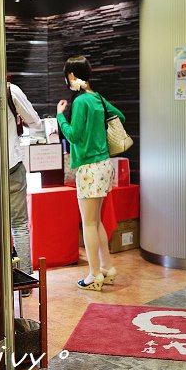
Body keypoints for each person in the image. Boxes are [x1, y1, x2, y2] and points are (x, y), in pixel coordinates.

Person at [55, 55, 125, 291]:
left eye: (68, 75)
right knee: (96, 222)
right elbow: (120, 117)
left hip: (88, 168)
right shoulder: (98, 98)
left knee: (88, 224)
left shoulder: (81, 102)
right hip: (105, 165)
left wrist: (59, 117)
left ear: (72, 76)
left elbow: (73, 135)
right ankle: (107, 267)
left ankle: (94, 274)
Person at [6, 82, 42, 281]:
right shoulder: (10, 90)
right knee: (18, 225)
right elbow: (35, 121)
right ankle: (25, 279)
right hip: (11, 165)